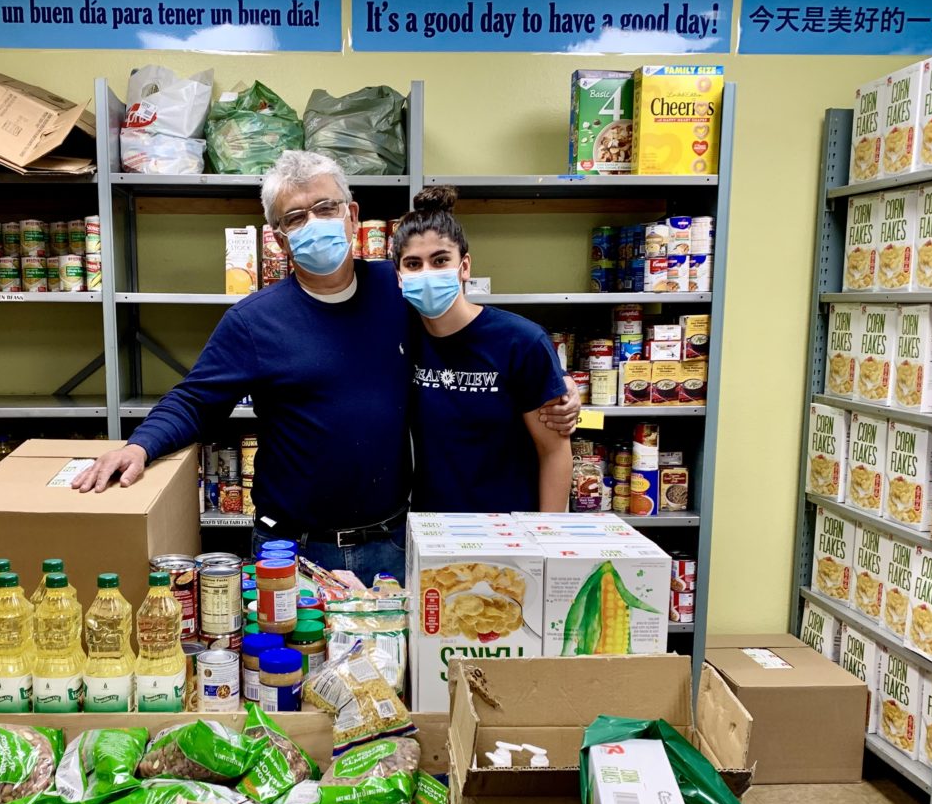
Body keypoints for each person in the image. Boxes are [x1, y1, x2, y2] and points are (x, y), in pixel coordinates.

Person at [72, 151, 579, 585]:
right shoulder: (253, 322)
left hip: (391, 542)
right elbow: (195, 400)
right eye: (295, 218)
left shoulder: (399, 291)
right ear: (279, 239)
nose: (313, 223)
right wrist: (139, 445)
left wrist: (556, 390)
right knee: (289, 665)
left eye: (325, 207)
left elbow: (472, 338)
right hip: (291, 550)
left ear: (352, 216)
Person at [393, 187, 572, 513]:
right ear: (400, 276)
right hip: (431, 527)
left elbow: (554, 451)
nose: (428, 273)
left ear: (464, 266)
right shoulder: (401, 336)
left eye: (440, 260)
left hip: (509, 527)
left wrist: (550, 533)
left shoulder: (521, 341)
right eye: (413, 264)